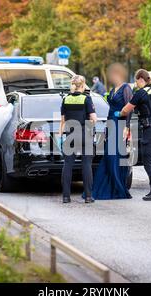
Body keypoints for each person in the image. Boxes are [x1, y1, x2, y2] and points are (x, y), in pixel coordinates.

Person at [115, 69, 151, 201]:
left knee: (148, 160)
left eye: (136, 81)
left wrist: (118, 114)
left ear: (141, 79)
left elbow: (126, 110)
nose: (136, 84)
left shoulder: (141, 93)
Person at [92, 63, 132, 200]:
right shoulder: (113, 88)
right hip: (110, 123)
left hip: (120, 124)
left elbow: (129, 108)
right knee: (109, 155)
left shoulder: (126, 88)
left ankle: (118, 186)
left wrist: (127, 127)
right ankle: (108, 184)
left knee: (115, 156)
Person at [59, 75, 98, 204]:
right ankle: (88, 196)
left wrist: (60, 136)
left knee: (68, 165)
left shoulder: (66, 99)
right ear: (83, 85)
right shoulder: (86, 99)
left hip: (70, 134)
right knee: (86, 164)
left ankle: (66, 196)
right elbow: (93, 119)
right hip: (84, 133)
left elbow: (63, 120)